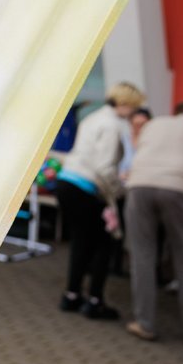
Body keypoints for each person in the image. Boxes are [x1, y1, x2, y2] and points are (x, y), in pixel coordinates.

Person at [123, 101, 183, 344]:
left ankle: (144, 324)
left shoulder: (154, 125)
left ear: (174, 114)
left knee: (142, 256)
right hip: (179, 189)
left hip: (138, 186)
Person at [53, 81, 145, 321]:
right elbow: (104, 168)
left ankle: (72, 295)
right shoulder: (114, 126)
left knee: (80, 242)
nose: (135, 112)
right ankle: (95, 301)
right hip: (86, 187)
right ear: (125, 103)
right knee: (104, 244)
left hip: (67, 181)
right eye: (134, 106)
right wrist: (119, 192)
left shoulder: (92, 118)